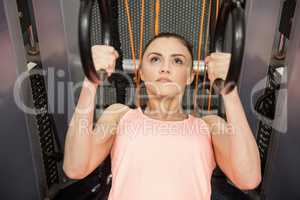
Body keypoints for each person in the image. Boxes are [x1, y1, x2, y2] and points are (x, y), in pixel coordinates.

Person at [63, 32, 261, 200]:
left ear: (190, 75)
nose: (165, 68)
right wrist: (90, 80)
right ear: (141, 72)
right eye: (155, 59)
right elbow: (75, 167)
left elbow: (248, 178)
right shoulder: (119, 115)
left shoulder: (208, 126)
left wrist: (229, 89)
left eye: (177, 60)